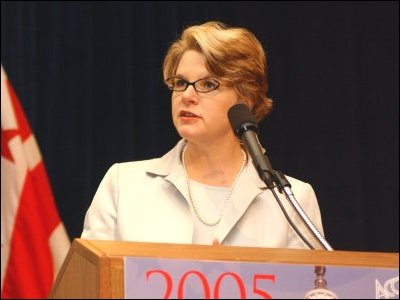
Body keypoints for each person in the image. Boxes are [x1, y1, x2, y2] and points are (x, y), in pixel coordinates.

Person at [81, 21, 324, 249]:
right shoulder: (123, 185)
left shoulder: (292, 199)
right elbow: (89, 284)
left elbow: (315, 289)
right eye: (180, 82)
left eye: (208, 84)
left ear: (244, 102)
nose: (187, 95)